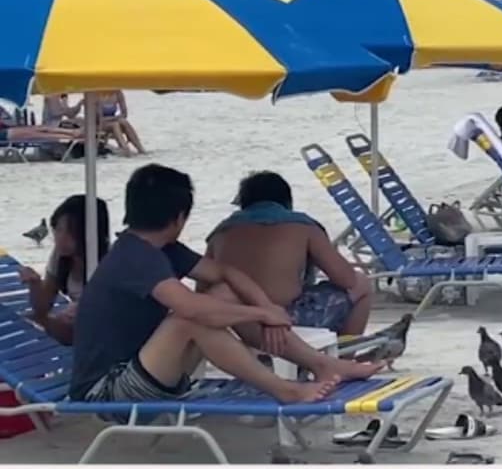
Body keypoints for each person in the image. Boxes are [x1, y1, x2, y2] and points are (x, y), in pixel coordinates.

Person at [70, 164, 384, 406]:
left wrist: (266, 308)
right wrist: (258, 315)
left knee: (218, 293)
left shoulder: (159, 248)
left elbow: (227, 274)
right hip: (106, 392)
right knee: (188, 320)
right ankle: (286, 389)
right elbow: (190, 307)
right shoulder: (135, 256)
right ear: (180, 217)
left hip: (141, 371)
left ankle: (323, 365)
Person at [204, 171, 372, 337]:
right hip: (287, 318)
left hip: (238, 322)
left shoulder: (220, 233)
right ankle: (344, 358)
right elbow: (347, 279)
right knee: (362, 283)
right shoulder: (303, 225)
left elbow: (202, 291)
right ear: (287, 200)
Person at [18, 194, 111, 345]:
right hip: (80, 332)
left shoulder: (109, 262)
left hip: (106, 335)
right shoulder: (61, 256)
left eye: (70, 232)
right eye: (58, 229)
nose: (60, 238)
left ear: (90, 232)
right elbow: (42, 308)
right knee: (31, 320)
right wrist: (35, 284)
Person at [97, 90, 144, 156]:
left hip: (111, 120)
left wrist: (116, 118)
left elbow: (124, 114)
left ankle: (140, 149)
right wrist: (116, 118)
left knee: (123, 121)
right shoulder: (97, 95)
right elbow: (100, 119)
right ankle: (125, 148)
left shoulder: (118, 93)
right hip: (98, 124)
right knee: (115, 124)